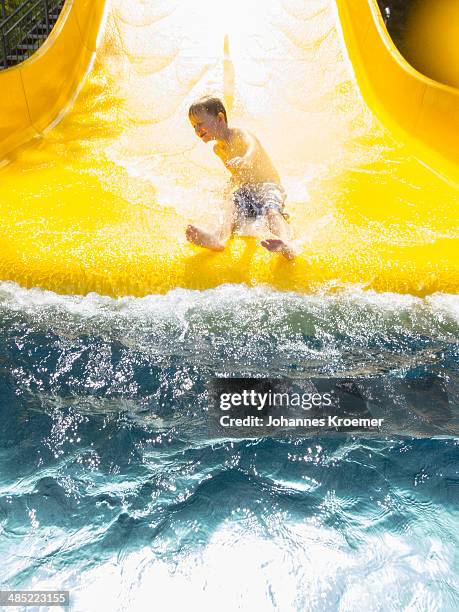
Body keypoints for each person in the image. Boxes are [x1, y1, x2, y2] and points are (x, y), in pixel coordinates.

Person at [186, 96, 298, 260]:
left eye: (200, 123)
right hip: (247, 190)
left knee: (272, 212)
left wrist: (245, 159)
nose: (197, 129)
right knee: (229, 208)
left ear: (220, 118)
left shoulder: (239, 134)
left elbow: (253, 147)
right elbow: (238, 175)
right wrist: (228, 187)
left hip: (267, 185)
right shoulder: (218, 149)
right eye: (193, 126)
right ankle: (218, 238)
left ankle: (286, 243)